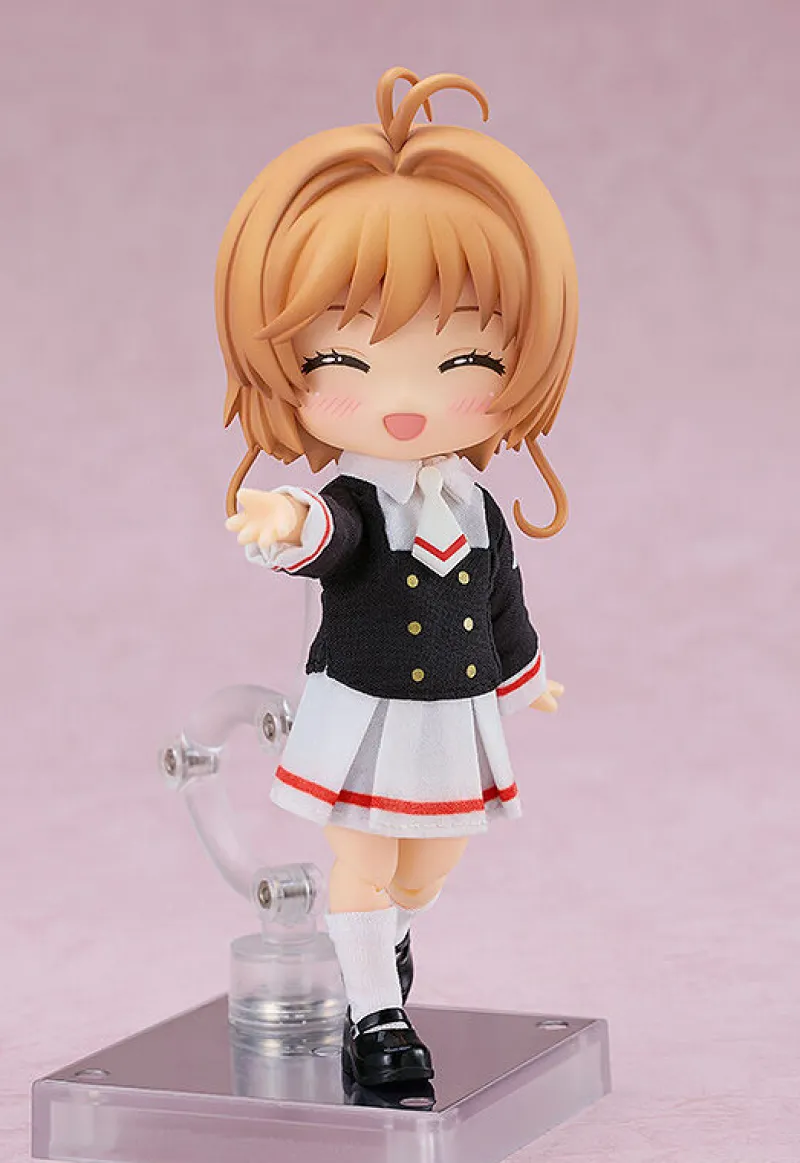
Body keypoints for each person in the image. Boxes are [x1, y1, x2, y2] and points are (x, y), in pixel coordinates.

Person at [216, 66, 577, 1089]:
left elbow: (500, 602)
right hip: (364, 709)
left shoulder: (476, 505)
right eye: (347, 360)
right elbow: (326, 537)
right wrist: (286, 520)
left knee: (432, 863)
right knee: (363, 859)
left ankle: (382, 939)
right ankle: (377, 1014)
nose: (407, 400)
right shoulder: (357, 501)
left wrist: (525, 676)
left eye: (465, 362)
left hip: (454, 715)